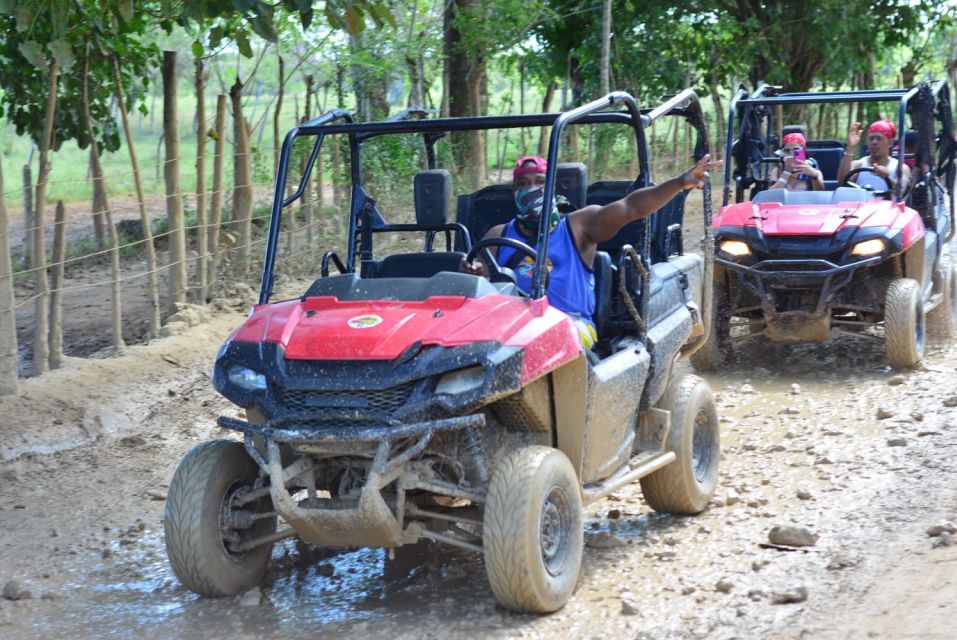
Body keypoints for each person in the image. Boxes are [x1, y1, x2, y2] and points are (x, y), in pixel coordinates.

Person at [462, 154, 720, 348]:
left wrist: (678, 183)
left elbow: (631, 207)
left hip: (571, 326)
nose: (531, 189)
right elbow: (481, 286)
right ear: (514, 191)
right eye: (523, 184)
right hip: (513, 330)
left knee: (542, 343)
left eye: (539, 182)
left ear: (551, 187)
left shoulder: (578, 225)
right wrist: (473, 273)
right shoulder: (498, 235)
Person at [838, 119, 910, 194]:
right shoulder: (858, 165)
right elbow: (842, 182)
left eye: (879, 139)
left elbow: (900, 192)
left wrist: (886, 177)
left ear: (890, 142)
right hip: (861, 205)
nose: (874, 142)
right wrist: (850, 147)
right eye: (871, 138)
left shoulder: (900, 167)